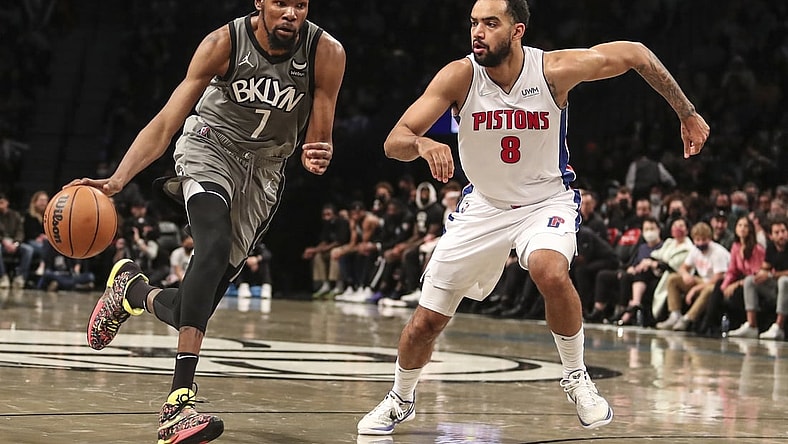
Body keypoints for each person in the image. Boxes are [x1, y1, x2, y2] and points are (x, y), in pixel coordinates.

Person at [357, 0, 709, 435]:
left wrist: (687, 112)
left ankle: (577, 376)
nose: (477, 33)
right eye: (473, 23)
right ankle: (400, 397)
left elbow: (635, 52)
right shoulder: (460, 76)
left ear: (517, 30)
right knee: (426, 322)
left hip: (546, 201)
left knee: (548, 269)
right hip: (483, 206)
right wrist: (423, 145)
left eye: (490, 23)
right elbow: (395, 140)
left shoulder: (552, 71)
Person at [68, 1, 345, 442]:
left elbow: (319, 134)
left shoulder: (326, 52)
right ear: (260, 2)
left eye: (300, 4)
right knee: (211, 247)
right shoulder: (223, 43)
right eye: (281, 3)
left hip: (266, 170)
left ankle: (132, 290)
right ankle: (178, 404)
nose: (291, 12)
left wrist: (319, 151)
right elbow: (166, 122)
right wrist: (119, 179)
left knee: (193, 304)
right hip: (209, 146)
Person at [727, 217, 788, 339]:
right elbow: (765, 267)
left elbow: (773, 274)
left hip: (785, 285)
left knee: (784, 281)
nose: (781, 235)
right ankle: (751, 325)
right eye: (777, 232)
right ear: (771, 236)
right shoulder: (771, 247)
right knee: (750, 280)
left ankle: (779, 327)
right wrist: (760, 274)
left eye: (783, 231)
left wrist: (770, 275)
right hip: (775, 288)